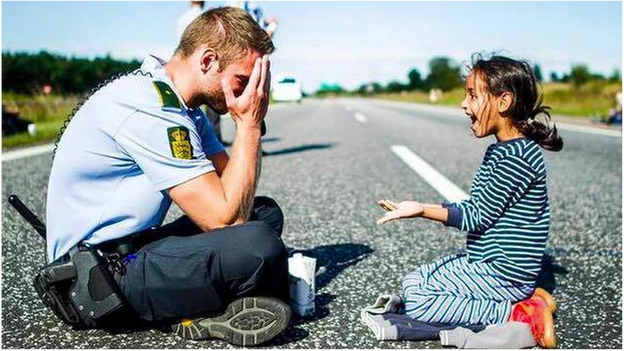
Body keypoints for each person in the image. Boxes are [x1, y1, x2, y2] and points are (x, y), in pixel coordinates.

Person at [46, 8, 290, 346]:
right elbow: (226, 219)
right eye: (243, 80)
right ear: (207, 61)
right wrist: (248, 125)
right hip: (96, 279)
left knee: (264, 212)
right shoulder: (149, 106)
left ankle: (204, 296)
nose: (251, 92)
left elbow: (233, 183)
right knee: (258, 245)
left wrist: (250, 126)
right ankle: (194, 311)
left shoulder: (181, 105)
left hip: (131, 247)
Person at [376, 55, 563, 349]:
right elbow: (482, 206)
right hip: (487, 263)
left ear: (503, 102)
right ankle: (525, 298)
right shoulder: (502, 150)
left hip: (503, 272)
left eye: (473, 96)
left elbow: (476, 216)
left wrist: (421, 210)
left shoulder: (516, 158)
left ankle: (518, 312)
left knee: (419, 304)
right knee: (415, 279)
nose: (464, 104)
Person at [177, 0, 224, 145]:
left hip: (183, 63)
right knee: (212, 106)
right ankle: (213, 139)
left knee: (186, 107)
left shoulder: (181, 19)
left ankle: (191, 139)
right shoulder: (206, 17)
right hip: (203, 65)